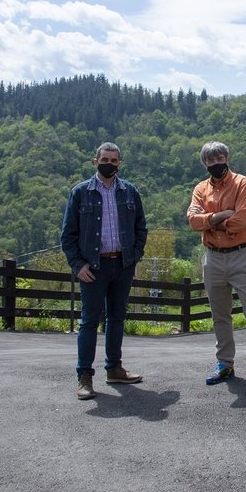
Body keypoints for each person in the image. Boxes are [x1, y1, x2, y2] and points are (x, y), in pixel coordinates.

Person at [61, 142, 148, 400]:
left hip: (122, 264)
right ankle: (85, 377)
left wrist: (135, 256)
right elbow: (68, 235)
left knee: (117, 318)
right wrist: (78, 265)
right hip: (93, 268)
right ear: (95, 162)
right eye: (104, 159)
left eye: (114, 159)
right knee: (89, 321)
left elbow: (141, 228)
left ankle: (114, 368)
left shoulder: (130, 192)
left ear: (120, 163)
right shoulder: (80, 193)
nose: (109, 163)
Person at [187, 141, 246, 386]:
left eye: (219, 158)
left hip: (242, 255)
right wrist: (220, 216)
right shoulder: (200, 188)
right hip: (212, 257)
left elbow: (242, 220)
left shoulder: (242, 183)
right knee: (220, 315)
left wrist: (210, 221)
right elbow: (192, 220)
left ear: (227, 157)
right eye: (210, 160)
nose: (216, 163)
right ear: (205, 163)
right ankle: (225, 364)